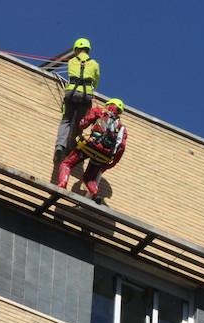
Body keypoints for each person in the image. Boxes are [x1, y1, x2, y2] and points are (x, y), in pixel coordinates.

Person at [51, 37, 101, 183]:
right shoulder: (95, 64)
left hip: (71, 92)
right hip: (86, 96)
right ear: (88, 49)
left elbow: (72, 73)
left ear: (77, 49)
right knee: (79, 123)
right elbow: (96, 82)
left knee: (66, 120)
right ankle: (71, 147)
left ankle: (60, 146)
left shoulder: (72, 61)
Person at [57, 98, 127, 201]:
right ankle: (94, 193)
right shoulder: (121, 128)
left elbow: (83, 124)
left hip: (91, 146)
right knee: (89, 178)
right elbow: (121, 147)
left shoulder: (100, 112)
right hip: (104, 155)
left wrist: (84, 118)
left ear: (109, 105)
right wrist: (112, 163)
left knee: (66, 164)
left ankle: (62, 184)